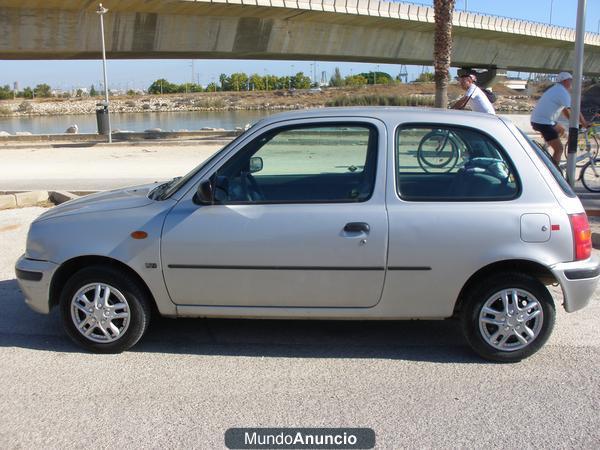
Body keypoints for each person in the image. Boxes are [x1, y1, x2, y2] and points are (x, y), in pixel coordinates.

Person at [531, 72, 589, 165]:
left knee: (561, 130)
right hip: (543, 123)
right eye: (570, 81)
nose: (571, 83)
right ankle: (554, 173)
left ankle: (545, 147)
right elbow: (575, 110)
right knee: (559, 149)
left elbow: (564, 109)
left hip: (542, 120)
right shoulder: (562, 92)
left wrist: (573, 122)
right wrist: (584, 123)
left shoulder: (556, 89)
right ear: (565, 81)